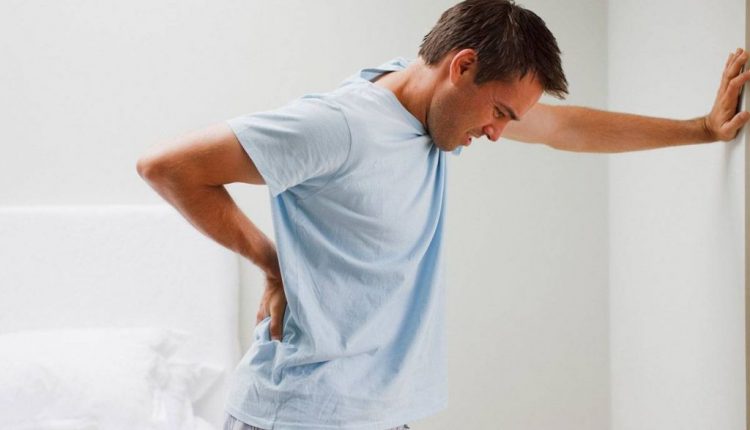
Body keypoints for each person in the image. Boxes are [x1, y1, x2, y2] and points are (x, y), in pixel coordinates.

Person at [136, 0, 749, 428]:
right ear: (462, 66)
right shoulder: (341, 125)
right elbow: (168, 166)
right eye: (500, 113)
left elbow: (566, 128)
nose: (498, 133)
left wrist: (701, 129)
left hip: (381, 412)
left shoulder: (424, 109)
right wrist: (271, 263)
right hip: (301, 415)